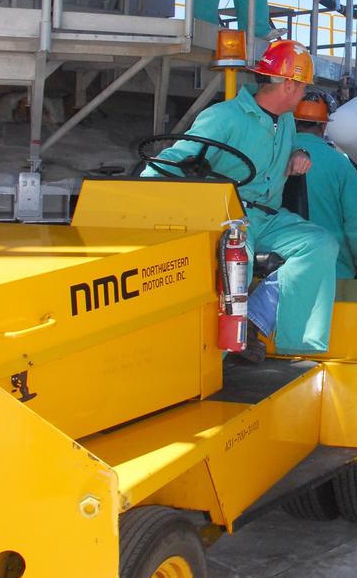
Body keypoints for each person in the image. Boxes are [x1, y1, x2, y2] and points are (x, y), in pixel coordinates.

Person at [141, 39, 338, 359]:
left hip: (269, 216)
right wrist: (140, 189)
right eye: (302, 86)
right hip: (230, 214)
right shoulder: (224, 117)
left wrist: (298, 152)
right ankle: (207, 363)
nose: (303, 94)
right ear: (288, 84)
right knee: (236, 266)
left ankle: (283, 337)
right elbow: (179, 156)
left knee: (320, 244)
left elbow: (277, 149)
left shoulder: (285, 120)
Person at [294, 94, 357, 279]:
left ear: (294, 121)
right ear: (323, 125)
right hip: (333, 267)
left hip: (282, 265)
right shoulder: (341, 164)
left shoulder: (277, 155)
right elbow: (355, 221)